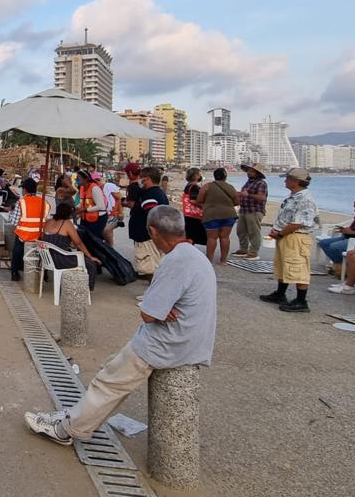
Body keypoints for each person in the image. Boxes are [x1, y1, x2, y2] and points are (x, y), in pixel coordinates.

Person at [25, 206, 216, 445]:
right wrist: (160, 308)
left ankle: (66, 429)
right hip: (192, 342)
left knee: (108, 384)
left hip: (165, 345)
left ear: (153, 232)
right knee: (110, 368)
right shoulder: (196, 257)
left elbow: (148, 313)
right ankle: (75, 415)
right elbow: (159, 309)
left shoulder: (174, 262)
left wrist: (156, 308)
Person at [259, 168, 319, 313]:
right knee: (283, 265)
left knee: (298, 267)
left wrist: (280, 233)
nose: (285, 181)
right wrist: (278, 231)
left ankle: (301, 300)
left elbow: (298, 223)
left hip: (296, 237)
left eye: (288, 179)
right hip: (286, 235)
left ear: (296, 182)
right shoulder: (294, 196)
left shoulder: (305, 199)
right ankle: (280, 293)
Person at [42, 203, 100, 290]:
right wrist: (90, 256)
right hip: (60, 260)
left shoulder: (48, 222)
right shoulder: (67, 223)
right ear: (69, 214)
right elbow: (78, 243)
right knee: (91, 264)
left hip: (47, 259)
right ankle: (86, 291)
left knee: (74, 254)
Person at [127, 166, 169, 277]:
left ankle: (153, 293)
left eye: (142, 178)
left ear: (148, 179)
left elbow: (151, 215)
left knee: (150, 268)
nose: (140, 181)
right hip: (150, 235)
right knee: (154, 265)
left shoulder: (151, 194)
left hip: (146, 236)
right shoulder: (156, 193)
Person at [10, 177, 50, 281]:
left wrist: (11, 212)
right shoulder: (44, 202)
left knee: (17, 250)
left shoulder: (21, 202)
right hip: (39, 236)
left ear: (25, 190)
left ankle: (15, 272)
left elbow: (14, 222)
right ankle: (44, 272)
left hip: (24, 235)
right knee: (42, 250)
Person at [197, 168, 240, 264]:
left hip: (211, 214)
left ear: (214, 176)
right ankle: (223, 260)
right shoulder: (231, 187)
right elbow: (237, 202)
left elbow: (199, 200)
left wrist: (207, 206)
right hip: (229, 214)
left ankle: (209, 260)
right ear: (225, 177)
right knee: (225, 237)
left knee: (212, 238)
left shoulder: (207, 186)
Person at [235, 163, 268, 259]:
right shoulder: (249, 182)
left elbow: (262, 197)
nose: (249, 173)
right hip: (244, 210)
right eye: (249, 170)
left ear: (257, 173)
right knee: (241, 231)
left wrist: (247, 195)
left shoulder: (261, 183)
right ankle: (243, 249)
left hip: (254, 211)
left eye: (251, 171)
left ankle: (253, 252)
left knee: (254, 232)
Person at [77, 171, 109, 241]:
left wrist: (85, 210)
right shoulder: (82, 188)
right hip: (86, 217)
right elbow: (83, 202)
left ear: (86, 179)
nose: (77, 180)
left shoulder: (95, 188)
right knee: (84, 238)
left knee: (94, 240)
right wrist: (76, 207)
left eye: (79, 178)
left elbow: (100, 206)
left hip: (98, 218)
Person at [181, 168, 207, 246]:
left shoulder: (188, 186)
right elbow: (193, 200)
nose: (200, 176)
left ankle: (188, 251)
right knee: (195, 236)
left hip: (188, 214)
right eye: (199, 174)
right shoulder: (194, 187)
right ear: (195, 176)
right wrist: (204, 206)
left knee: (190, 235)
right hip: (194, 215)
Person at [102, 176, 123, 247]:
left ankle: (110, 248)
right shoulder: (95, 188)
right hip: (104, 214)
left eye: (98, 180)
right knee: (107, 232)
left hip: (114, 214)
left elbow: (119, 198)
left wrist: (120, 212)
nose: (97, 181)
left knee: (106, 231)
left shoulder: (109, 186)